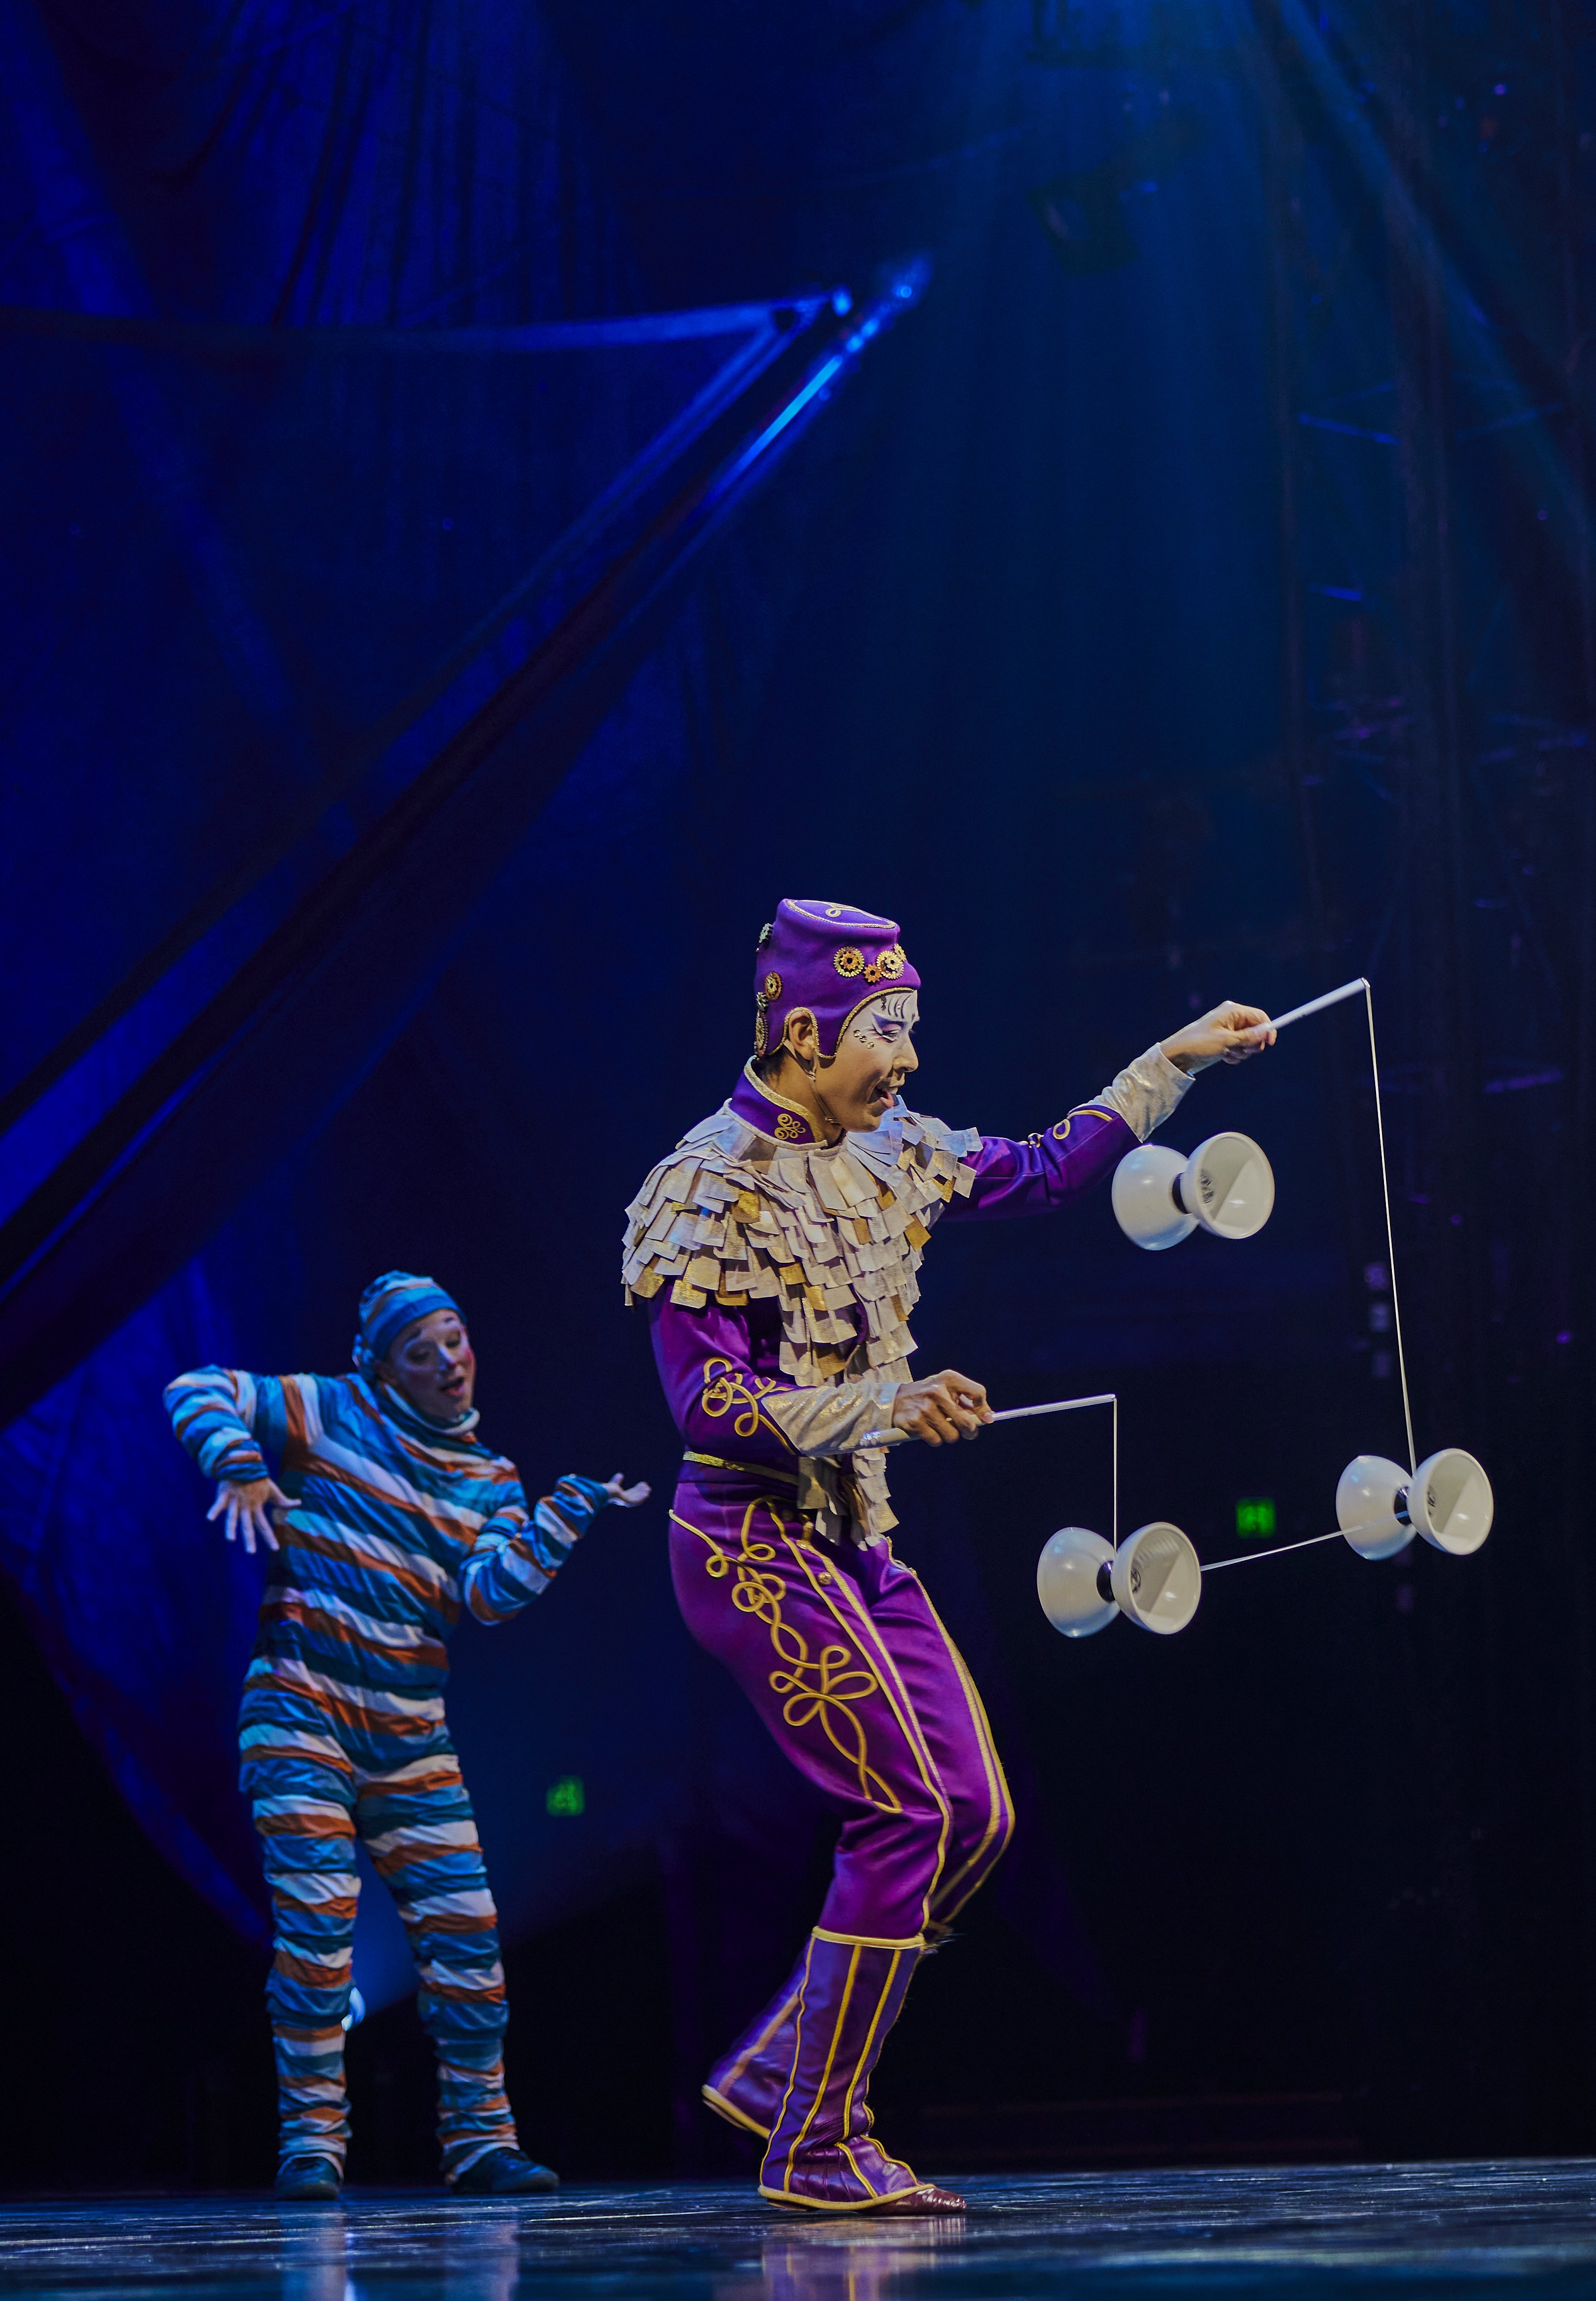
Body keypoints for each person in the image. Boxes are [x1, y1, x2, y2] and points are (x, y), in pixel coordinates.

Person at [622, 899, 1271, 2215]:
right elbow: (709, 1409)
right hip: (752, 1543)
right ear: (804, 1027)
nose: (906, 1060)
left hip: (857, 1539)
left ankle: (784, 2068)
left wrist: (1178, 1056)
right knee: (907, 1811)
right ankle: (815, 2138)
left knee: (975, 1814)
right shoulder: (704, 1185)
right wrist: (886, 1404)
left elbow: (1040, 1166)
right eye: (884, 1032)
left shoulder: (889, 1147)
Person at [163, 1273, 647, 2201]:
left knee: (467, 1939)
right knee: (315, 1936)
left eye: (453, 1340)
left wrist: (560, 1517)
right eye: (419, 1353)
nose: (446, 1363)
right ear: (383, 1371)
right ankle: (311, 2143)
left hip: (410, 1737)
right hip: (300, 1713)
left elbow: (487, 1597)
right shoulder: (329, 1410)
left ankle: (479, 2142)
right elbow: (195, 1387)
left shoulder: (488, 1478)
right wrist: (240, 1463)